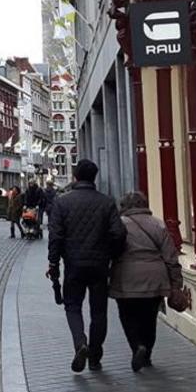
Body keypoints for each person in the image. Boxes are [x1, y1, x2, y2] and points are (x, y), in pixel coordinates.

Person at [47, 159, 127, 373]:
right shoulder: (107, 202)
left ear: (75, 177)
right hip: (99, 265)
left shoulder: (62, 202)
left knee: (72, 306)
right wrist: (111, 254)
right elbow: (118, 233)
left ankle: (80, 342)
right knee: (99, 311)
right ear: (94, 177)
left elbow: (55, 236)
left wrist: (53, 262)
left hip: (73, 264)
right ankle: (95, 355)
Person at [110, 191, 183, 372]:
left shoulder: (119, 225)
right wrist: (176, 284)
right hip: (155, 277)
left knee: (127, 315)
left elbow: (111, 250)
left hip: (126, 276)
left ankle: (137, 346)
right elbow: (171, 257)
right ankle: (147, 353)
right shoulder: (158, 224)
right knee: (149, 317)